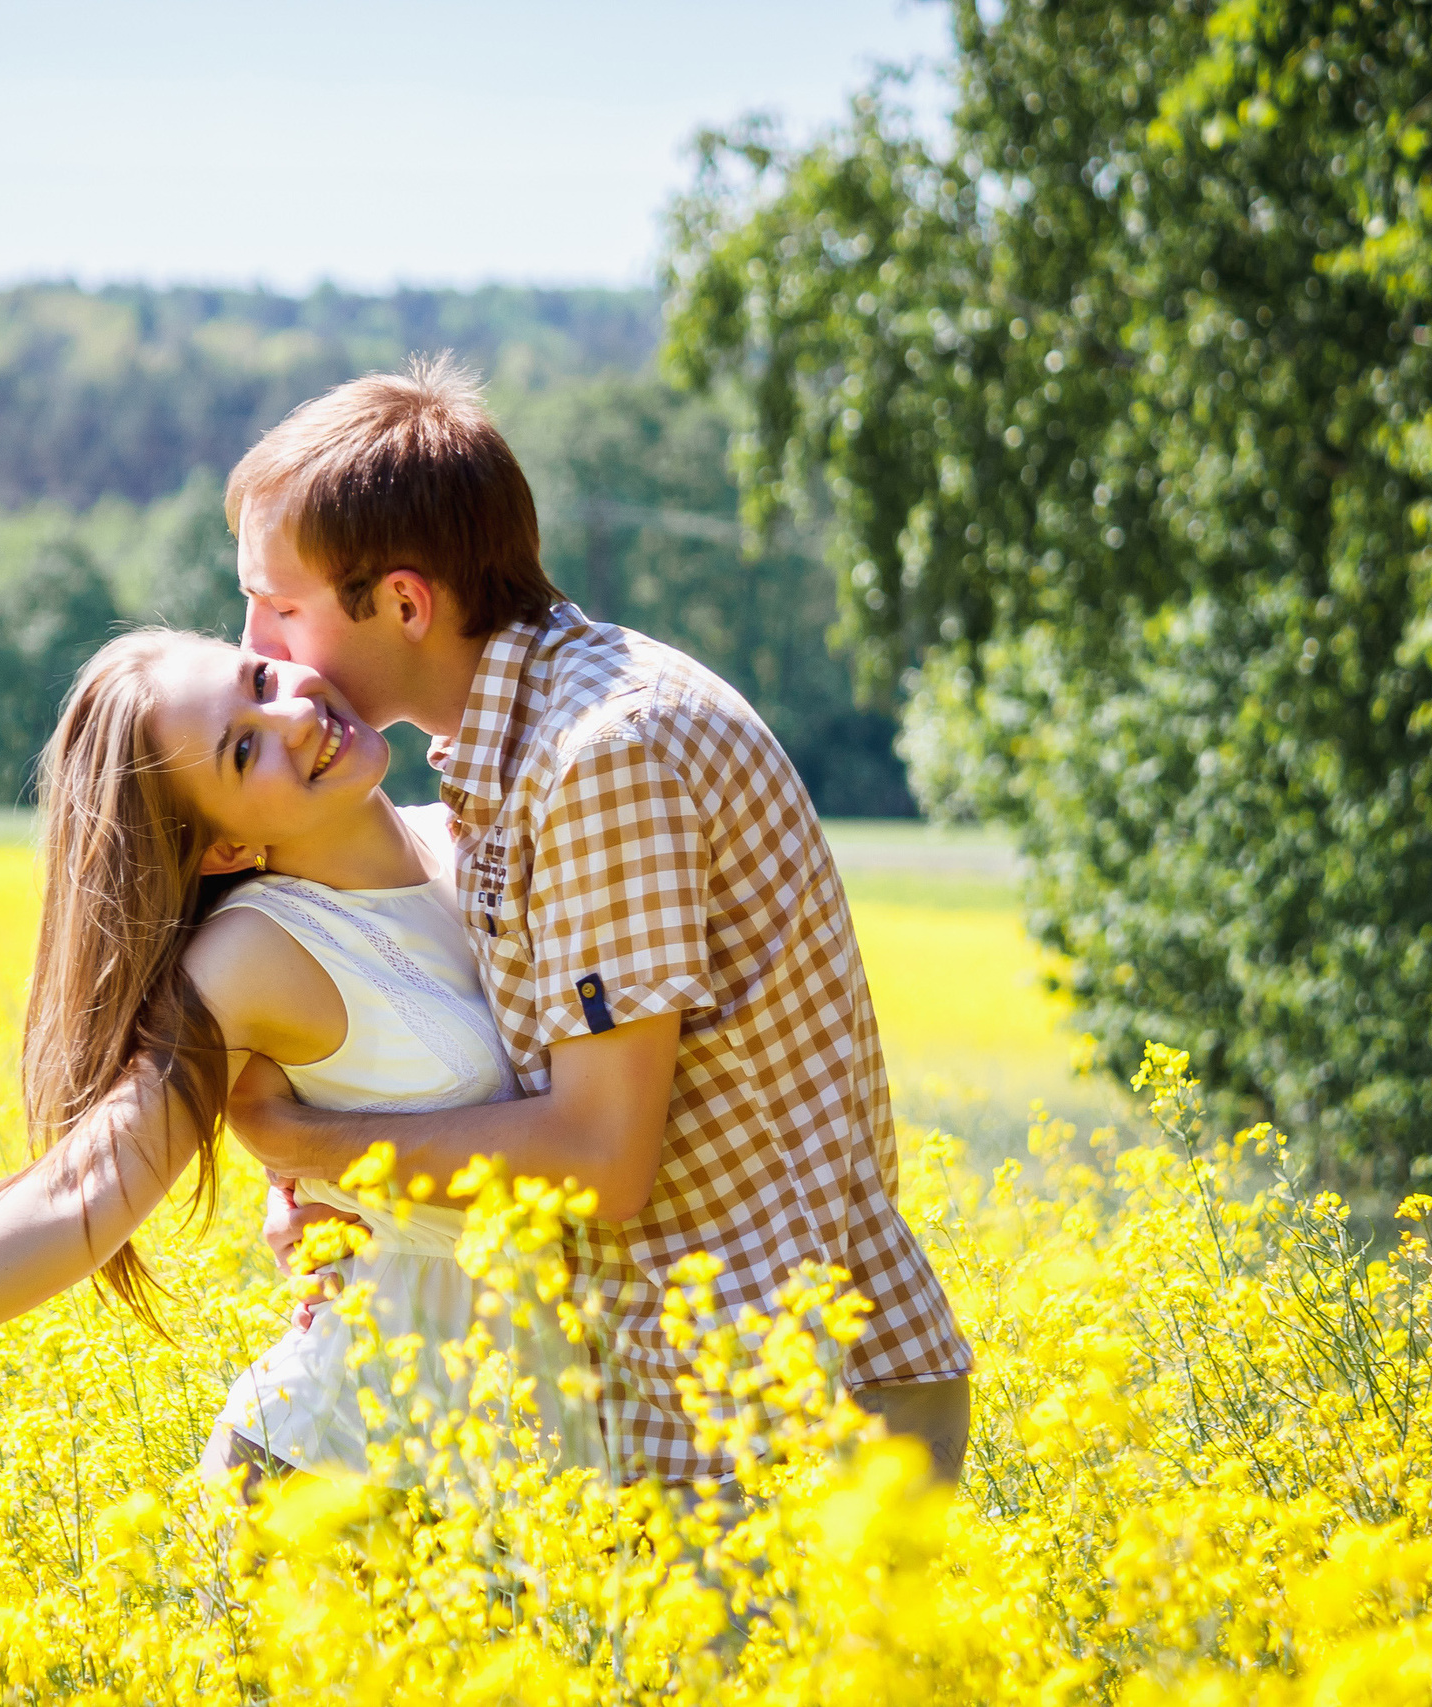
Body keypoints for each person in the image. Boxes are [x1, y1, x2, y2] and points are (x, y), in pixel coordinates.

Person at [219, 357, 975, 1486]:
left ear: (405, 603)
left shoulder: (601, 757)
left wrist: (304, 1144)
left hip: (787, 1412)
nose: (255, 644)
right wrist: (346, 1198)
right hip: (705, 1399)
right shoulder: (523, 745)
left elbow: (595, 1157)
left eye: (279, 605)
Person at [0, 630, 603, 1486]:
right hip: (342, 1472)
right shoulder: (256, 955)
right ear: (229, 845)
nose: (293, 715)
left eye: (261, 678)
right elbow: (78, 1191)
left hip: (539, 1462)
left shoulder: (470, 831)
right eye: (243, 750)